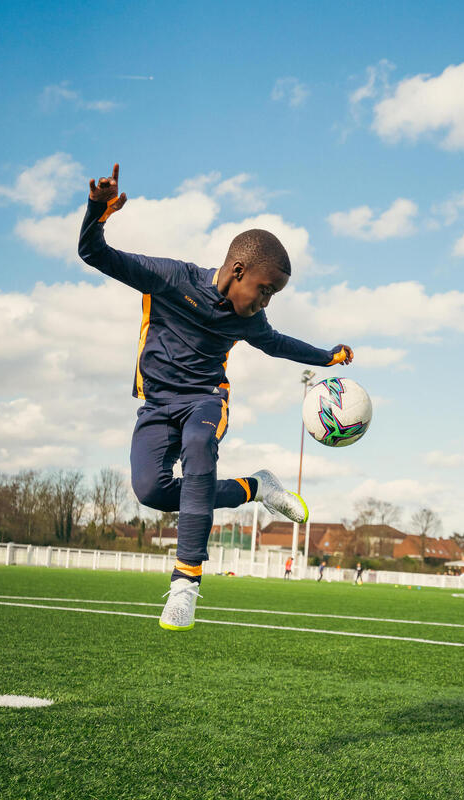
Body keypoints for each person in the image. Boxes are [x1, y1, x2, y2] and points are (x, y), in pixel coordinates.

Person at [79, 164, 354, 631]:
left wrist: (326, 358)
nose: (266, 302)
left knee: (200, 451)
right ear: (238, 269)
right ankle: (256, 487)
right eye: (265, 290)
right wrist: (96, 211)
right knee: (151, 491)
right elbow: (92, 252)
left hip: (206, 399)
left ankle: (185, 585)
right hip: (157, 404)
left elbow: (279, 343)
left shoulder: (248, 320)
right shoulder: (170, 278)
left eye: (274, 296)